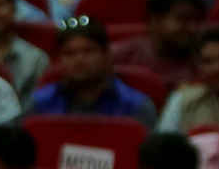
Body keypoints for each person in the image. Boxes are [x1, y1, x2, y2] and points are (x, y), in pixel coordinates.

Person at [26, 19, 154, 122]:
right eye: (69, 53)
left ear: (106, 55)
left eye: (88, 51)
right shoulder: (40, 103)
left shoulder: (136, 106)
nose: (79, 60)